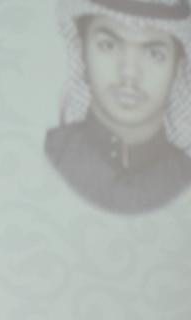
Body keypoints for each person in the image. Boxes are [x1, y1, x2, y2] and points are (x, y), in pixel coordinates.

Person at [46, 0, 191, 214]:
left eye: (154, 53)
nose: (129, 73)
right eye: (109, 45)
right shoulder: (50, 155)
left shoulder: (184, 180)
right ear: (82, 53)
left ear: (177, 68)